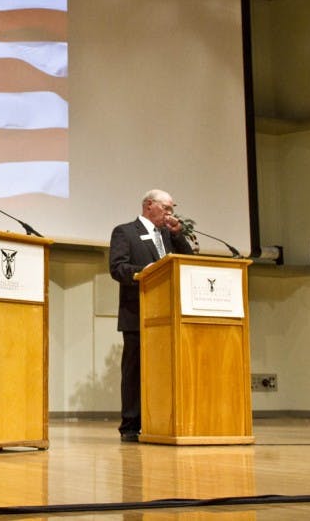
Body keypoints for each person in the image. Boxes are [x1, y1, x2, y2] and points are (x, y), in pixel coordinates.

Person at [108, 189, 193, 442]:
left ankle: (160, 421)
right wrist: (145, 271)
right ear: (149, 205)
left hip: (167, 316)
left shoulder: (168, 235)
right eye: (166, 208)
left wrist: (178, 235)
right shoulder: (125, 232)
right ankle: (131, 426)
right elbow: (117, 268)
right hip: (137, 313)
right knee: (134, 371)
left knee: (163, 370)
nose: (170, 214)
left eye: (172, 209)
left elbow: (186, 261)